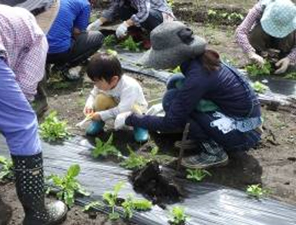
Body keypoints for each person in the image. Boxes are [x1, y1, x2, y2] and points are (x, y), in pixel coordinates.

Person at [116, 21, 262, 169]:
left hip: (244, 133)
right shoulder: (200, 60)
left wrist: (130, 118)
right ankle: (203, 136)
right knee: (174, 84)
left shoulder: (198, 75)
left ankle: (214, 152)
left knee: (172, 102)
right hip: (245, 120)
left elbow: (170, 123)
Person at [0, 4, 67, 225]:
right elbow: (26, 91)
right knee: (23, 124)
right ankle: (38, 215)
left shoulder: (7, 16)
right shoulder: (37, 35)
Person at [84, 52, 149, 142]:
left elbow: (123, 109)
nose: (96, 85)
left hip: (132, 110)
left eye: (98, 81)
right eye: (94, 82)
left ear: (114, 79)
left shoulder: (129, 86)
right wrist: (89, 105)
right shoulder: (102, 83)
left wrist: (101, 115)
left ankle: (140, 126)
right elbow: (93, 94)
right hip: (117, 106)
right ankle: (98, 122)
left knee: (135, 111)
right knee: (99, 99)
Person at [46, 0, 104, 80]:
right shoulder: (84, 3)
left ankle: (45, 65)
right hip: (58, 53)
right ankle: (62, 67)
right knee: (97, 37)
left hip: (36, 52)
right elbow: (77, 32)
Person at [235, 0, 296, 74]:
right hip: (263, 35)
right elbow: (240, 31)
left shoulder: (293, 14)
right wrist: (250, 52)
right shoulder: (261, 7)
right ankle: (257, 56)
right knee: (256, 33)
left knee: (291, 34)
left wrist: (289, 59)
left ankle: (283, 59)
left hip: (284, 41)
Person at [87, 0, 175, 39]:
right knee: (121, 8)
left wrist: (126, 24)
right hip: (142, 12)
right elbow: (114, 8)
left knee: (149, 14)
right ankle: (137, 33)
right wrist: (98, 22)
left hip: (161, 15)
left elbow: (144, 12)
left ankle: (153, 36)